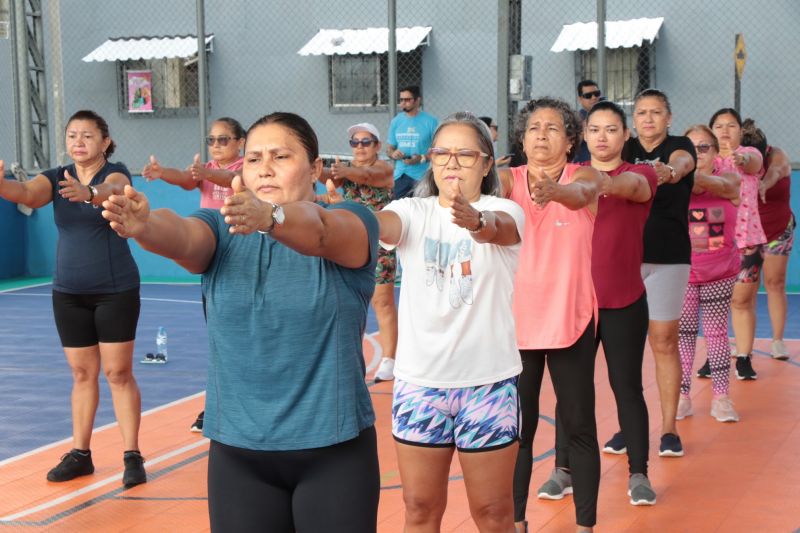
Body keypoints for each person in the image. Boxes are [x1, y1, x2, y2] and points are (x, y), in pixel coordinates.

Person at [102, 112, 380, 532]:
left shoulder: (353, 220)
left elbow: (321, 232)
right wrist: (145, 226)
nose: (265, 168)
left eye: (281, 156)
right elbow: (182, 236)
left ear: (316, 168)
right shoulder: (221, 227)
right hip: (238, 455)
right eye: (253, 159)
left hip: (334, 451)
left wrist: (272, 217)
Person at [376, 112, 525, 532]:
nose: (452, 162)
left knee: (494, 514)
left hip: (489, 385)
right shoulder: (411, 211)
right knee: (420, 509)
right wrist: (348, 215)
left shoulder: (503, 208)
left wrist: (476, 222)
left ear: (486, 163)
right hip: (420, 384)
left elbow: (500, 230)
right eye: (442, 152)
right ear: (431, 160)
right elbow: (380, 224)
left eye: (465, 154)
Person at [0, 110, 146, 487]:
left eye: (87, 135)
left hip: (115, 291)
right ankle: (81, 454)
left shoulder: (117, 172)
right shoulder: (55, 178)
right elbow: (28, 194)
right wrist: (1, 184)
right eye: (71, 135)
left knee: (118, 373)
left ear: (105, 142)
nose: (78, 142)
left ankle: (132, 456)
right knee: (82, 374)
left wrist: (90, 194)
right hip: (68, 293)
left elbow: (113, 189)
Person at [536, 101, 658, 507]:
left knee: (627, 388)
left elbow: (629, 188)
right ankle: (563, 468)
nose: (602, 137)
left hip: (623, 303)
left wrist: (594, 184)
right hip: (574, 306)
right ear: (584, 136)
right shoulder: (565, 180)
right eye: (595, 130)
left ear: (626, 136)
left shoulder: (638, 176)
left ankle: (638, 473)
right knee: (572, 392)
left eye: (611, 129)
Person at [500, 97, 605, 533]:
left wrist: (557, 191)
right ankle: (518, 522)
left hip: (571, 320)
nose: (541, 134)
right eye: (533, 128)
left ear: (570, 141)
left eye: (552, 128)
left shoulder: (584, 176)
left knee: (579, 425)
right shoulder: (507, 181)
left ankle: (585, 526)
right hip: (514, 327)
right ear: (522, 140)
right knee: (516, 432)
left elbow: (582, 194)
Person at [142, 116, 246, 432]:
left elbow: (234, 180)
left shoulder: (248, 165)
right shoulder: (206, 168)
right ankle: (215, 405)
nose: (216, 145)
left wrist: (207, 172)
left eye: (223, 139)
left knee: (241, 334)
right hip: (210, 255)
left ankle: (240, 401)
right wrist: (162, 174)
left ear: (240, 142)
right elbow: (188, 179)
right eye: (212, 140)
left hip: (240, 252)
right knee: (218, 334)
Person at [613, 88, 696, 458]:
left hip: (668, 257)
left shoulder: (680, 146)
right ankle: (627, 427)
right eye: (642, 112)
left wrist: (670, 171)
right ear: (633, 120)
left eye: (656, 112)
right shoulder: (623, 150)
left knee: (663, 341)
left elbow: (682, 163)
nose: (648, 118)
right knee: (623, 346)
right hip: (623, 257)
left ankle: (668, 430)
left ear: (669, 117)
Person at [317, 122, 398, 382]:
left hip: (379, 239)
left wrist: (338, 171)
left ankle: (389, 358)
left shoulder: (384, 168)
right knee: (346, 299)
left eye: (366, 142)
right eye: (355, 142)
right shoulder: (345, 172)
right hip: (350, 239)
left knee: (382, 300)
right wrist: (317, 169)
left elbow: (365, 177)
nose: (360, 147)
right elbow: (328, 177)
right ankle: (345, 357)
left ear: (376, 146)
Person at [678, 125, 742, 422]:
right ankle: (682, 395)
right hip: (684, 274)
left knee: (717, 333)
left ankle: (721, 397)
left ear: (716, 152)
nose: (698, 153)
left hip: (720, 272)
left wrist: (687, 174)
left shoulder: (728, 177)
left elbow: (728, 188)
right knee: (684, 335)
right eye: (691, 148)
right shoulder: (673, 185)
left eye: (704, 148)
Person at [708, 108, 765, 381]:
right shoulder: (705, 160)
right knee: (713, 304)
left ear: (740, 131)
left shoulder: (750, 155)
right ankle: (715, 355)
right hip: (712, 241)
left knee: (741, 301)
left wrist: (739, 157)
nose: (725, 130)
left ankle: (743, 357)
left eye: (731, 125)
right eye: (719, 125)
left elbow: (751, 162)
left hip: (746, 240)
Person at [743, 120, 795, 359]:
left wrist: (764, 183)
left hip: (778, 230)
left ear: (765, 151)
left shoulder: (778, 156)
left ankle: (777, 341)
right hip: (748, 232)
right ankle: (745, 343)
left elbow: (775, 171)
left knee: (774, 283)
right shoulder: (738, 160)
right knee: (746, 291)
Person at [385, 85, 438, 199]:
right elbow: (389, 148)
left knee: (423, 210)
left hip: (422, 176)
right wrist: (393, 154)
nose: (403, 103)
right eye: (401, 100)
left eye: (407, 100)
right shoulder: (396, 121)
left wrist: (422, 158)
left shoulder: (431, 121)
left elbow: (440, 151)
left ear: (418, 100)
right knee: (400, 211)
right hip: (401, 176)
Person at [572, 80, 603, 163]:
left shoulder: (608, 115)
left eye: (596, 94)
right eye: (588, 95)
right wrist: (584, 128)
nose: (594, 97)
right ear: (580, 99)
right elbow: (571, 146)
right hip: (583, 165)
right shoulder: (575, 118)